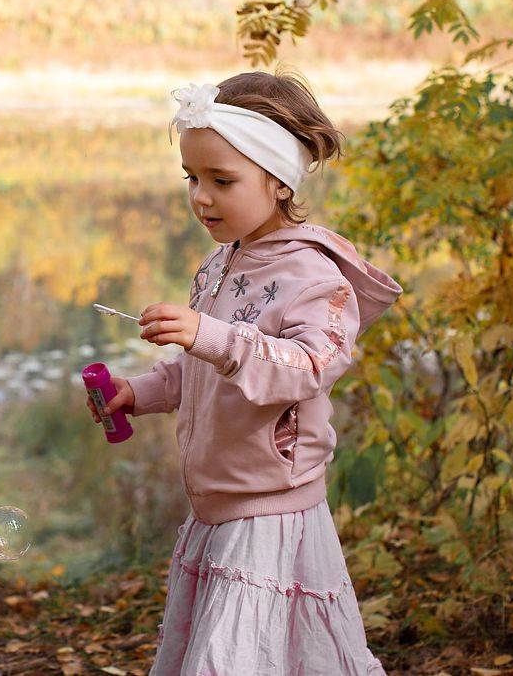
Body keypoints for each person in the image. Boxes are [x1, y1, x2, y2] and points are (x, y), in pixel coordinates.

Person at [87, 70, 401, 675]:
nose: (201, 197)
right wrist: (139, 392)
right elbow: (202, 370)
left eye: (221, 180)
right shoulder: (218, 265)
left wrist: (208, 334)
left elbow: (309, 367)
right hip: (216, 505)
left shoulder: (313, 277)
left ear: (279, 181)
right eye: (192, 178)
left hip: (270, 511)